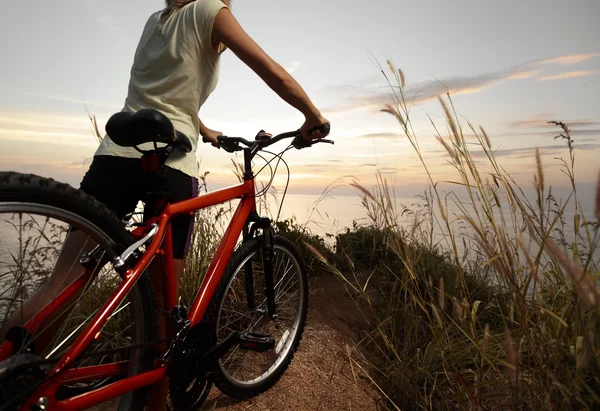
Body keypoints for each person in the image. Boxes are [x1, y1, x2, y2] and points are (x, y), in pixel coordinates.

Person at [1, 0, 329, 410]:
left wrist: (205, 129)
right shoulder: (210, 10)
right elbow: (268, 68)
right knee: (165, 313)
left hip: (114, 157)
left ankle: (10, 377)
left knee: (62, 282)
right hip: (169, 165)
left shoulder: (154, 22)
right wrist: (312, 115)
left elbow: (159, 91)